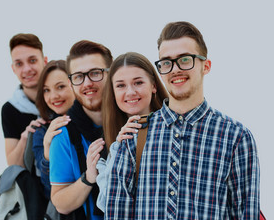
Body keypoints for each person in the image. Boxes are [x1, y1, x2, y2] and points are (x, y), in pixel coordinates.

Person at [106, 21, 260, 219]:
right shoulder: (135, 134)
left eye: (185, 60)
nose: (175, 69)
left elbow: (246, 214)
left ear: (206, 66)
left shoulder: (236, 137)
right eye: (167, 62)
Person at [94, 52, 169, 213]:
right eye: (121, 85)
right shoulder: (107, 144)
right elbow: (106, 204)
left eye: (138, 83)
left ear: (154, 86)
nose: (130, 92)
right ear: (113, 93)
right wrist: (118, 151)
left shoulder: (175, 128)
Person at [49, 40, 113, 220]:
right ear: (71, 83)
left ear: (111, 73)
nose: (87, 83)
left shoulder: (132, 117)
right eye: (78, 76)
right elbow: (60, 203)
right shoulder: (63, 134)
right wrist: (89, 177)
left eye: (95, 73)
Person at [1, 33, 48, 167]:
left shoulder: (61, 98)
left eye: (32, 60)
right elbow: (13, 166)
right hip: (34, 185)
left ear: (44, 61)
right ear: (13, 69)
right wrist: (25, 138)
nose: (27, 69)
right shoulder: (10, 109)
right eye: (19, 64)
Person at [32, 60, 76, 200]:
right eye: (46, 90)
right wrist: (47, 149)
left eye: (60, 86)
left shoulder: (95, 120)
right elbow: (49, 189)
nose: (53, 96)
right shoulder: (41, 131)